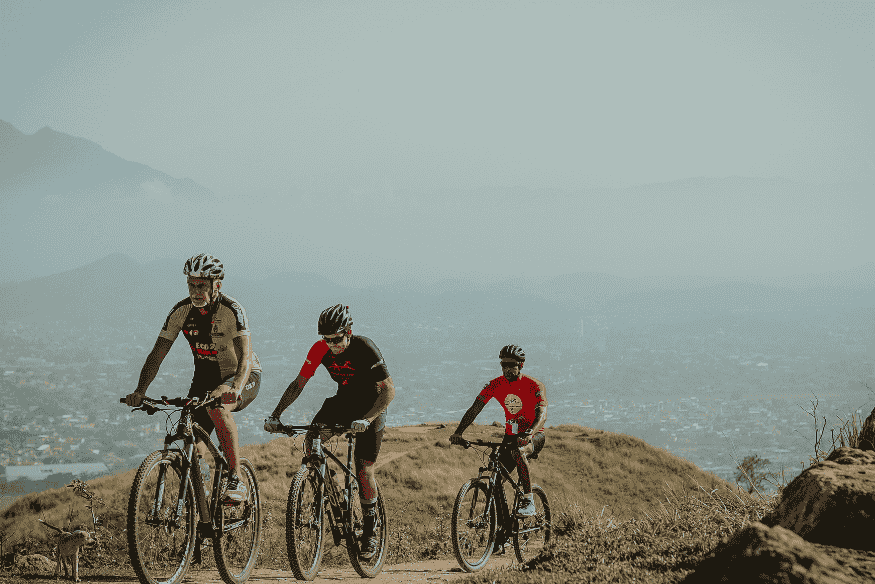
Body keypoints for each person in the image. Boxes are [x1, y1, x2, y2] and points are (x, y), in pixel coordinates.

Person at [123, 253, 262, 505]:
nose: (196, 291)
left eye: (201, 285)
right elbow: (156, 355)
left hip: (242, 375)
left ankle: (236, 479)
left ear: (216, 285)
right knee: (190, 438)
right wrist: (140, 390)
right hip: (205, 378)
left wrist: (235, 388)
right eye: (191, 285)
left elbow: (245, 357)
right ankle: (202, 497)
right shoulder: (181, 311)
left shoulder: (232, 310)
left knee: (218, 408)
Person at [265, 304, 395, 560]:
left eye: (337, 339)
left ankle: (370, 531)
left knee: (363, 468)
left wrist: (367, 419)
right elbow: (298, 384)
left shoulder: (365, 347)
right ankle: (329, 487)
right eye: (327, 339)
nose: (332, 345)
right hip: (344, 402)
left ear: (349, 332)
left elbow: (388, 390)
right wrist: (276, 415)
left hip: (372, 406)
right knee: (312, 439)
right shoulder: (319, 349)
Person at [450, 345, 547, 518]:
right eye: (503, 365)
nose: (506, 369)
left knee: (518, 452)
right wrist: (459, 432)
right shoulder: (495, 384)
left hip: (534, 435)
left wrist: (530, 433)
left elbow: (542, 414)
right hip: (510, 436)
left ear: (521, 365)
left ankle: (528, 500)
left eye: (511, 365)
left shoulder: (534, 385)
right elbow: (475, 409)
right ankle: (502, 525)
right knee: (495, 478)